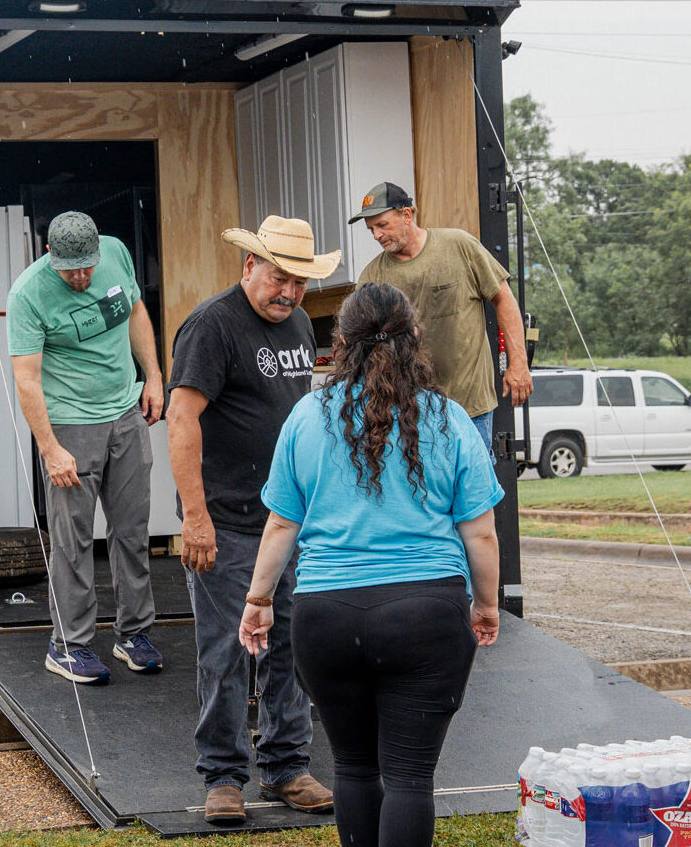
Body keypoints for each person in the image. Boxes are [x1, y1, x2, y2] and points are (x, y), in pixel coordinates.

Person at [239, 281, 503, 847]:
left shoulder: (307, 416)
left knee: (354, 769)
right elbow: (480, 531)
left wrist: (258, 601)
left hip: (324, 616)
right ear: (415, 337)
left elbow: (282, 523)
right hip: (426, 614)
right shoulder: (448, 418)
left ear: (340, 344)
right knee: (409, 777)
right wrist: (485, 605)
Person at [167, 215, 337, 825]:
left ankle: (288, 767)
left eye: (298, 281)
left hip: (290, 520)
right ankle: (222, 776)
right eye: (278, 277)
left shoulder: (295, 322)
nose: (288, 292)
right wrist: (195, 517)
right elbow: (181, 420)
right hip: (227, 520)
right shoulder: (211, 327)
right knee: (226, 652)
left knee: (293, 645)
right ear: (249, 266)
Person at [8, 210, 165, 685]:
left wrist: (153, 375)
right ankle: (69, 644)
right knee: (73, 540)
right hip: (70, 425)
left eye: (86, 267)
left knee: (132, 530)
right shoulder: (29, 294)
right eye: (69, 269)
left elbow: (135, 309)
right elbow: (27, 380)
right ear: (50, 257)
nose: (80, 276)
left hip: (124, 415)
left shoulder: (115, 253)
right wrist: (50, 448)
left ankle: (132, 634)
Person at [352, 182, 532, 458]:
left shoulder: (459, 246)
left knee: (475, 495)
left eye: (383, 225)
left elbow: (503, 299)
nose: (377, 235)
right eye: (371, 229)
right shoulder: (372, 277)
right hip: (408, 413)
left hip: (470, 406)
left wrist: (518, 363)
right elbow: (357, 341)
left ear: (407, 215)